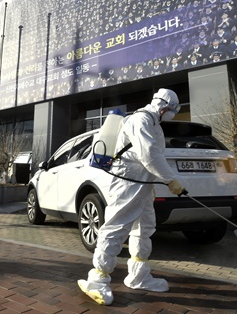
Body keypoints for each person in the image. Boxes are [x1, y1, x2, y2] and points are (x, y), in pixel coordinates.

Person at [78, 89, 184, 305]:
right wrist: (170, 179)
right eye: (172, 111)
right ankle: (97, 279)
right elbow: (149, 154)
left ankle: (138, 275)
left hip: (142, 184)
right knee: (117, 227)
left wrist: (161, 180)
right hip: (127, 182)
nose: (172, 115)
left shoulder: (154, 123)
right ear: (165, 108)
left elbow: (153, 155)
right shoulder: (141, 120)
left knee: (144, 227)